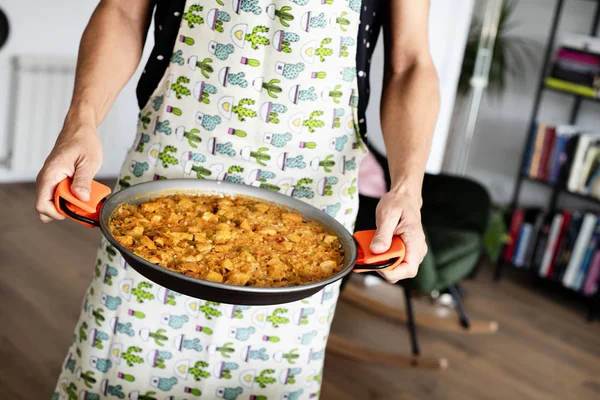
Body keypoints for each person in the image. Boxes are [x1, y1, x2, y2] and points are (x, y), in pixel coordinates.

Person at [35, 0, 439, 397]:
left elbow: (411, 63)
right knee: (117, 372)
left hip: (311, 217)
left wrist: (407, 188)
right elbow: (123, 10)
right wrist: (80, 123)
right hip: (161, 189)